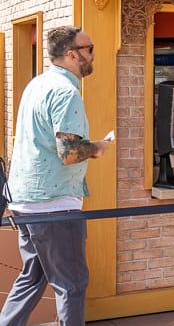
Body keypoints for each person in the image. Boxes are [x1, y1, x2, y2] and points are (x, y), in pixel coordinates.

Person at [0, 25, 115, 326]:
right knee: (72, 285)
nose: (93, 54)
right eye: (89, 49)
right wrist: (99, 147)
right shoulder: (66, 92)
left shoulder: (37, 84)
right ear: (71, 54)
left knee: (32, 279)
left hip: (25, 200)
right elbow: (70, 153)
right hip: (54, 204)